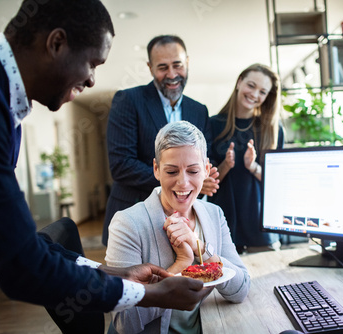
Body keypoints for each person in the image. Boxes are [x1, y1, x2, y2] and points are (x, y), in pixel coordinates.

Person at [0, 0, 211, 323]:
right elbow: (19, 264)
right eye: (92, 64)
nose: (91, 81)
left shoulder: (1, 100)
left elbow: (12, 243)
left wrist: (110, 272)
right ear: (56, 44)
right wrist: (148, 294)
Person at [106, 121, 250, 333]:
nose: (183, 183)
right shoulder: (127, 224)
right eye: (172, 172)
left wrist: (200, 248)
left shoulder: (213, 214)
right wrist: (181, 264)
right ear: (156, 169)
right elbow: (125, 323)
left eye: (193, 171)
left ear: (207, 169)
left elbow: (241, 289)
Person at [103, 35, 219, 246]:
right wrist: (179, 181)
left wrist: (203, 178)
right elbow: (121, 165)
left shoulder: (199, 110)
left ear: (188, 63)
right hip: (135, 217)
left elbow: (203, 159)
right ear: (149, 67)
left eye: (177, 65)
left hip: (187, 223)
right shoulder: (128, 101)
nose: (172, 74)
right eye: (163, 67)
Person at [208, 63, 284, 253]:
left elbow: (278, 184)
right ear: (239, 82)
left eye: (262, 91)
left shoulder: (273, 130)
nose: (255, 94)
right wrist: (226, 164)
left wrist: (253, 167)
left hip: (262, 230)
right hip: (223, 228)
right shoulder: (211, 125)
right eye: (251, 85)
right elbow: (205, 184)